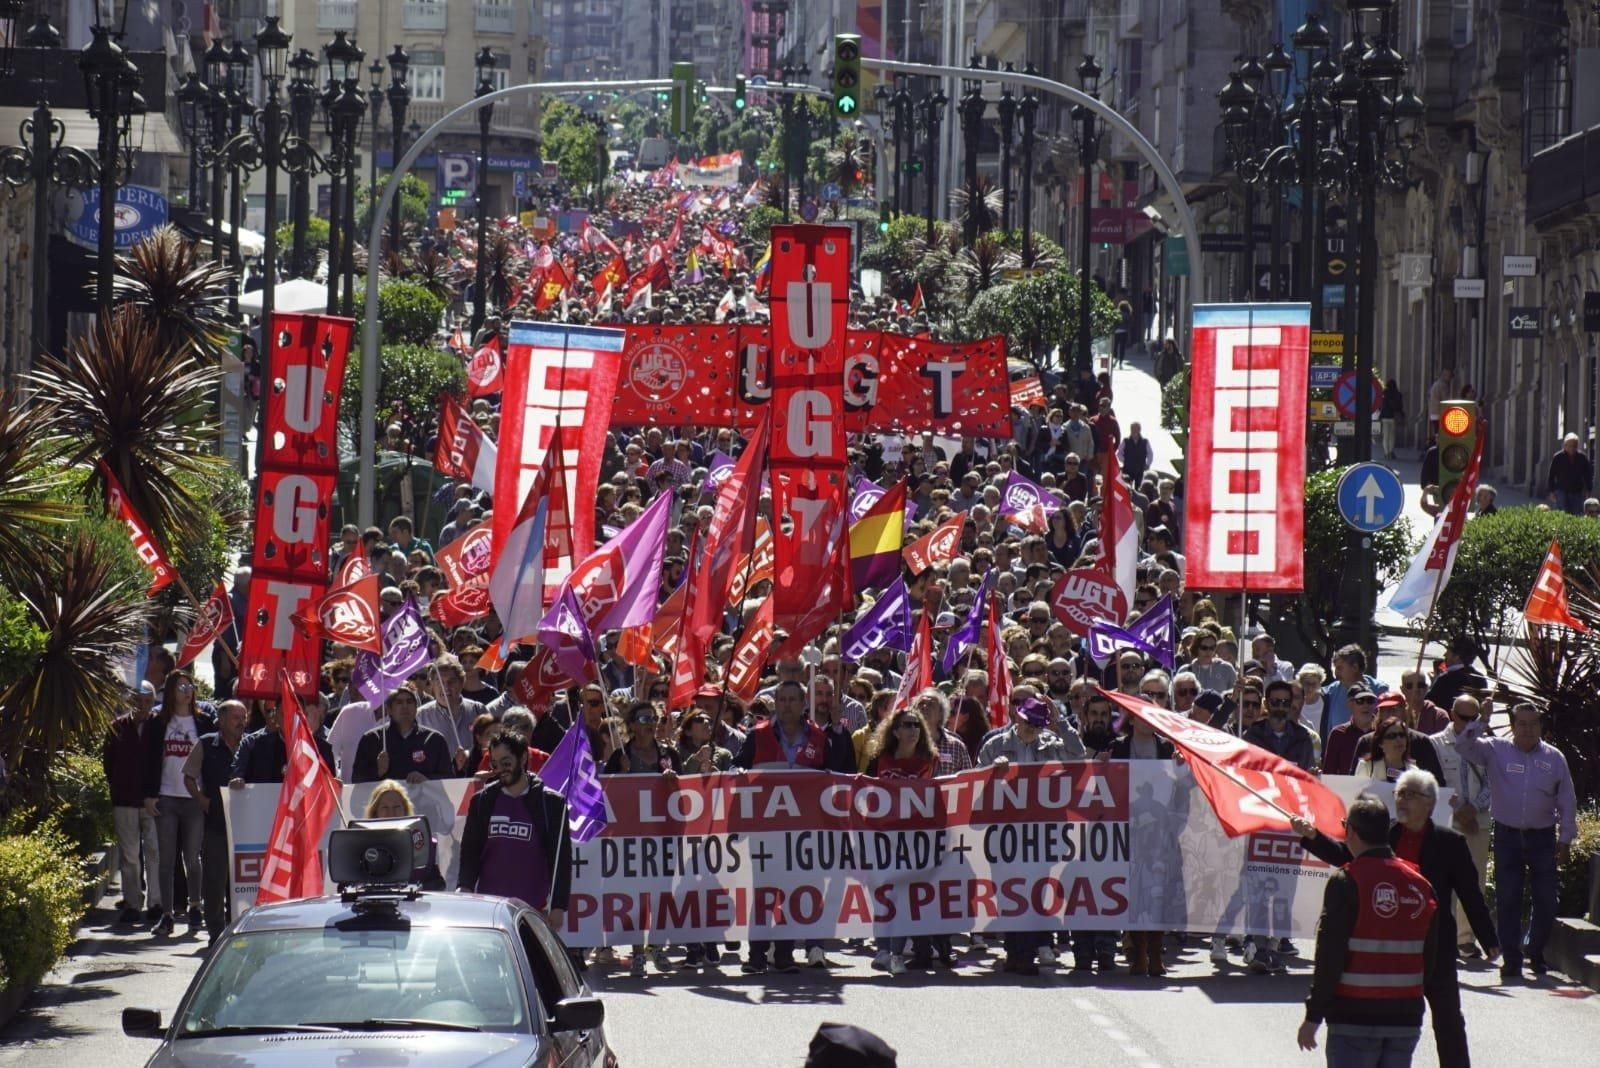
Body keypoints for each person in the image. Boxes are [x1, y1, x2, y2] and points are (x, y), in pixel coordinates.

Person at [1293, 770, 1497, 1067]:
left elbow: (1470, 893)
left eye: (1411, 795)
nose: (1402, 800)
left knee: (1449, 1020)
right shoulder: (1386, 834)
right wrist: (1313, 837)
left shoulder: (1450, 842)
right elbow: (1351, 858)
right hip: (1393, 950)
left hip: (1434, 944)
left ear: (1430, 803)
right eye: (1400, 793)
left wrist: (1488, 938)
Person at [1297, 794, 1438, 1066]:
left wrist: (1313, 1016)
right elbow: (1429, 957)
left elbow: (1330, 956)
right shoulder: (1420, 885)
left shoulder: (1348, 880)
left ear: (1349, 831)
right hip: (1404, 1018)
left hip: (1354, 1017)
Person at [1454, 701, 1578, 980]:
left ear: (1541, 727)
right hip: (1507, 835)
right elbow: (1463, 746)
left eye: (1533, 723)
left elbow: (1567, 800)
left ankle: (1534, 951)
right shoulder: (1495, 749)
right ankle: (1511, 958)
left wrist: (1566, 839)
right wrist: (1481, 720)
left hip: (1543, 837)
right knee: (1508, 898)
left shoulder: (1554, 758)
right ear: (1512, 726)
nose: (1528, 729)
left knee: (1546, 900)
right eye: (1521, 723)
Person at [979, 695, 1084, 975]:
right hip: (1005, 833)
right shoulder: (995, 746)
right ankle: (1015, 950)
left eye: (1036, 725)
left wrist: (1061, 724)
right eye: (1027, 723)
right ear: (1017, 717)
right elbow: (976, 783)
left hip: (1042, 833)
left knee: (1036, 891)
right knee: (1009, 892)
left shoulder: (1051, 743)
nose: (1030, 729)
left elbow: (1078, 756)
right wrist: (993, 771)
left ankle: (1023, 954)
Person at [456, 730, 572, 930]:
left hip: (533, 911)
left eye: (506, 763)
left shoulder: (550, 802)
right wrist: (464, 887)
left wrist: (559, 906)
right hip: (490, 910)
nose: (501, 769)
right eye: (495, 764)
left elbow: (561, 859)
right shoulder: (482, 801)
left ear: (523, 758)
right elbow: (470, 852)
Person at [145, 670, 215, 937]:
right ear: (171, 690)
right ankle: (167, 914)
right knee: (166, 859)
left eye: (190, 686)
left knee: (193, 858)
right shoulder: (158, 722)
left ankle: (195, 906)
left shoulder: (203, 721)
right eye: (182, 686)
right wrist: (149, 795)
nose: (187, 690)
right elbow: (149, 760)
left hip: (194, 798)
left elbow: (209, 759)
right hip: (166, 796)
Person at [1429, 695, 1494, 959]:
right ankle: (1442, 933)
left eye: (1474, 718)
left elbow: (1493, 781)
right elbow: (1434, 781)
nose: (1468, 723)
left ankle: (1466, 939)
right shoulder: (1435, 744)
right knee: (1441, 879)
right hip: (1446, 819)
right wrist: (1457, 809)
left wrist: (1474, 809)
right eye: (1463, 717)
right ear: (1452, 714)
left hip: (1477, 820)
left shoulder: (1488, 746)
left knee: (1475, 879)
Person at [184, 700, 248, 945]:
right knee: (214, 880)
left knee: (240, 881)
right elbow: (188, 776)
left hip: (245, 826)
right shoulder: (206, 744)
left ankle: (238, 930)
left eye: (243, 717)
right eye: (235, 717)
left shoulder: (250, 743)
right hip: (215, 825)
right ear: (221, 720)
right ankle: (215, 932)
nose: (241, 722)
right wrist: (201, 800)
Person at [103, 681, 163, 925]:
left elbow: (162, 762)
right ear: (130, 702)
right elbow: (108, 764)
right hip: (125, 800)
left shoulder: (159, 726)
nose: (142, 706)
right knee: (129, 856)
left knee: (154, 853)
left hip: (153, 801)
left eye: (147, 701)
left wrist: (156, 794)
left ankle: (156, 903)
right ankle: (132, 902)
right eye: (138, 700)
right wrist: (118, 789)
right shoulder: (117, 727)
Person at [351, 684, 455, 783]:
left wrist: (427, 779)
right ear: (390, 710)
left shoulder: (434, 740)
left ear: (416, 708)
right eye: (399, 702)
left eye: (409, 702)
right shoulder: (372, 739)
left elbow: (448, 778)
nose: (405, 706)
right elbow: (356, 779)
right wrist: (377, 771)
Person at [364, 779, 445, 889]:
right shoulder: (363, 844)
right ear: (375, 813)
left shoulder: (420, 843)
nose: (391, 813)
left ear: (406, 810)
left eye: (397, 807)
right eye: (385, 808)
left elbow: (436, 884)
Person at [1244, 679, 1319, 771]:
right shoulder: (1253, 734)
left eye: (1285, 703)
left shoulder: (1302, 737)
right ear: (1266, 703)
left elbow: (1307, 772)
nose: (1280, 707)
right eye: (1275, 702)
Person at [1422, 635, 1487, 710]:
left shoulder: (1446, 679)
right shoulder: (1480, 678)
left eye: (1448, 651)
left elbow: (1427, 705)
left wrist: (1434, 682)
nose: (1444, 655)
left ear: (1457, 656)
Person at [1353, 714, 1416, 781]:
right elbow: (1357, 790)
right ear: (1381, 743)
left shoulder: (1414, 770)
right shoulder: (1366, 766)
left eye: (1402, 735)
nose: (1398, 739)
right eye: (1392, 736)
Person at [1545, 432, 1592, 515]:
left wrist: (1588, 490)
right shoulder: (1558, 457)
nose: (1572, 448)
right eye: (1570, 445)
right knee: (1563, 514)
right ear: (1565, 445)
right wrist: (1551, 491)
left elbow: (1587, 475)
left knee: (1576, 514)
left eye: (1574, 445)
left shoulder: (1582, 457)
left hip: (1577, 491)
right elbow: (1551, 475)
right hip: (1561, 491)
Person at [1379, 378, 1404, 459]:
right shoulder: (1398, 394)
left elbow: (1380, 405)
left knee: (1385, 435)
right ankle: (1390, 451)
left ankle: (1386, 452)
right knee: (1392, 435)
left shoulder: (1384, 394)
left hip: (1385, 417)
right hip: (1393, 417)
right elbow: (1400, 406)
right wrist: (1401, 414)